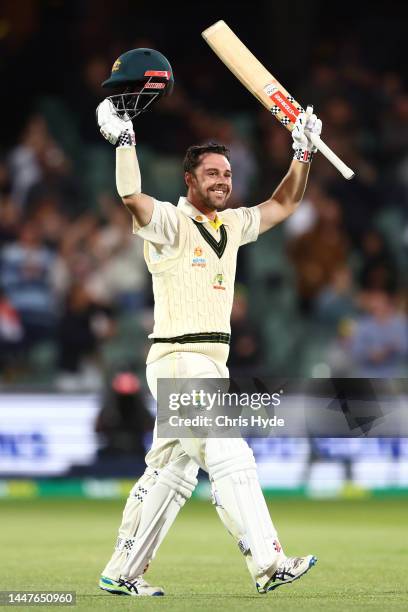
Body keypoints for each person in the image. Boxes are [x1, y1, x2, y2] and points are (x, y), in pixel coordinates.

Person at [95, 48, 321, 597]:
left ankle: (121, 571)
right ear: (190, 179)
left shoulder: (234, 224)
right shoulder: (171, 222)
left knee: (171, 473)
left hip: (207, 364)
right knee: (229, 452)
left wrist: (302, 150)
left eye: (226, 172)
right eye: (211, 173)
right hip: (178, 357)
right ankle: (269, 564)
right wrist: (125, 140)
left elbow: (283, 205)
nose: (222, 180)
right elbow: (132, 197)